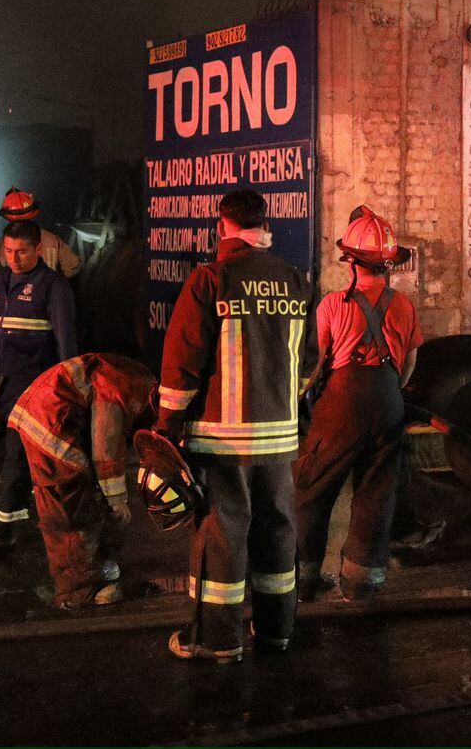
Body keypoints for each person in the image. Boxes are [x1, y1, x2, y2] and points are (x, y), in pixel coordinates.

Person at [153, 189, 317, 663]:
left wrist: (166, 429)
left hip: (221, 440)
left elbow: (182, 365)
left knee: (222, 534)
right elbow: (307, 364)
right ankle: (276, 632)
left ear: (222, 226)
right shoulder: (295, 281)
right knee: (278, 529)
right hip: (280, 441)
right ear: (264, 225)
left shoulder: (210, 279)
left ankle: (218, 641)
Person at [294, 206, 423, 602]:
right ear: (386, 265)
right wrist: (387, 392)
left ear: (351, 262)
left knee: (312, 488)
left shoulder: (334, 304)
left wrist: (301, 398)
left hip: (341, 405)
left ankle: (303, 580)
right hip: (388, 402)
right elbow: (410, 363)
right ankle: (360, 584)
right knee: (375, 492)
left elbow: (316, 363)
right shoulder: (403, 305)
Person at [8, 352, 155, 610]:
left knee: (87, 495)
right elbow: (106, 447)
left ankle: (97, 566)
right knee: (69, 509)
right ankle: (78, 591)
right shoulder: (124, 388)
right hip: (51, 423)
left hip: (48, 412)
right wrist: (118, 499)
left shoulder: (133, 377)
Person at [0, 219, 77, 556]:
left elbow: (65, 341)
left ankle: (2, 533)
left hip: (32, 387)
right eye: (8, 251)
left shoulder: (53, 287)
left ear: (37, 249)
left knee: (17, 455)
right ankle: (32, 495)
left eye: (21, 252)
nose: (13, 258)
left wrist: (66, 385)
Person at [0, 188, 81, 283]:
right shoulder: (52, 240)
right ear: (32, 214)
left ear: (7, 218)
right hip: (47, 298)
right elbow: (73, 268)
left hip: (13, 300)